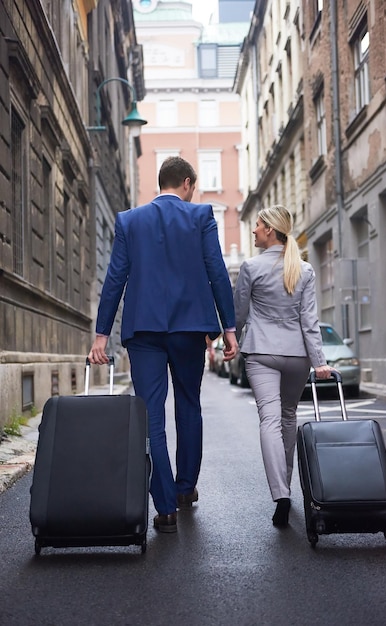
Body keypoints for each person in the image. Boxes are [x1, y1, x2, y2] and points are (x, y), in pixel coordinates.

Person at [88, 156, 238, 533]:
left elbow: (115, 278)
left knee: (151, 413)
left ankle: (165, 505)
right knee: (188, 403)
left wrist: (101, 333)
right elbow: (217, 271)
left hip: (144, 331)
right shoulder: (201, 216)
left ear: (161, 183)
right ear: (187, 183)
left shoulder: (129, 220)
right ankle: (186, 488)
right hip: (190, 330)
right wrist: (230, 327)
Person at [234, 205, 332, 528]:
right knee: (288, 416)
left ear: (271, 231)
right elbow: (309, 321)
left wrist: (230, 340)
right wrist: (319, 363)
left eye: (258, 225)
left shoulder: (250, 267)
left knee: (269, 419)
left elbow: (240, 313)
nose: (254, 230)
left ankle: (281, 494)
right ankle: (285, 485)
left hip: (261, 352)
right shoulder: (303, 270)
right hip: (297, 355)